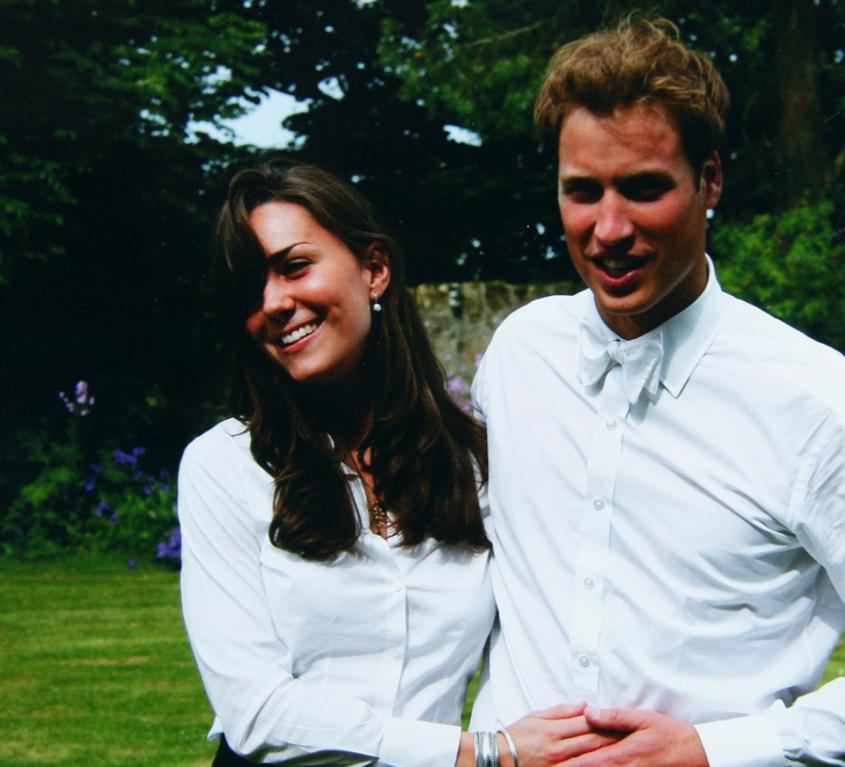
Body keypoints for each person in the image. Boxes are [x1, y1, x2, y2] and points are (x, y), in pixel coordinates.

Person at [470, 19, 845, 767]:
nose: (607, 228)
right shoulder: (521, 353)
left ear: (710, 179)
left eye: (644, 188)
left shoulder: (826, 405)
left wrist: (714, 750)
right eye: (582, 191)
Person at [178, 162, 616, 766]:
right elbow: (254, 712)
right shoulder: (224, 466)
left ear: (375, 270)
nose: (274, 302)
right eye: (251, 287)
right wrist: (480, 754)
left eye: (294, 266)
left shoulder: (475, 465)